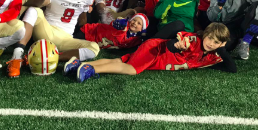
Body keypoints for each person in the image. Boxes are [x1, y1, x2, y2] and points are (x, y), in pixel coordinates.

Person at [66, 23, 236, 82]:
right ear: (204, 35)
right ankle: (91, 69)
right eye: (210, 39)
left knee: (120, 62)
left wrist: (222, 48)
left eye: (217, 42)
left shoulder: (212, 56)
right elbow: (171, 45)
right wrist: (177, 45)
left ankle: (78, 65)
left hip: (157, 60)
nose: (211, 44)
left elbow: (232, 68)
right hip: (156, 50)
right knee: (131, 70)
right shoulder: (193, 41)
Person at [15, 0, 99, 77]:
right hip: (47, 32)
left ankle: (53, 57)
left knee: (94, 47)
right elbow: (35, 4)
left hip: (66, 38)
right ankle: (17, 55)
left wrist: (85, 12)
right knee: (34, 10)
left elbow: (82, 19)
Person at [79, 14, 148, 50]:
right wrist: (120, 22)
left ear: (141, 29)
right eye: (134, 20)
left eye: (139, 23)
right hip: (91, 32)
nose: (135, 23)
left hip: (93, 43)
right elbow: (118, 22)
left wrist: (143, 35)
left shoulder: (135, 39)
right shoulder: (124, 25)